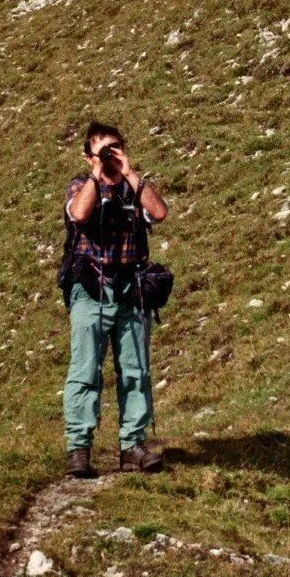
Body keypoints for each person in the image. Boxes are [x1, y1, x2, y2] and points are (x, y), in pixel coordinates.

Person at [62, 121, 168, 477]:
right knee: (85, 369)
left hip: (131, 288)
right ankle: (79, 448)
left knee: (135, 369)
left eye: (115, 147)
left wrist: (130, 173)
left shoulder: (133, 188)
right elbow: (78, 214)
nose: (109, 155)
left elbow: (160, 212)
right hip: (91, 286)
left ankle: (133, 445)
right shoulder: (80, 186)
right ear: (88, 154)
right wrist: (96, 175)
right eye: (102, 149)